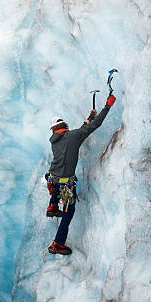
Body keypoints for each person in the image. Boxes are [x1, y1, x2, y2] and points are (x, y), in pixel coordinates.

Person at [45, 93, 116, 255]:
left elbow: (82, 128)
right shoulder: (73, 136)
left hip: (52, 179)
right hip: (65, 183)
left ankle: (53, 206)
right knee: (69, 211)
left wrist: (88, 118)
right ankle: (57, 243)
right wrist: (107, 106)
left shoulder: (55, 140)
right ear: (65, 125)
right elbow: (92, 126)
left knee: (56, 185)